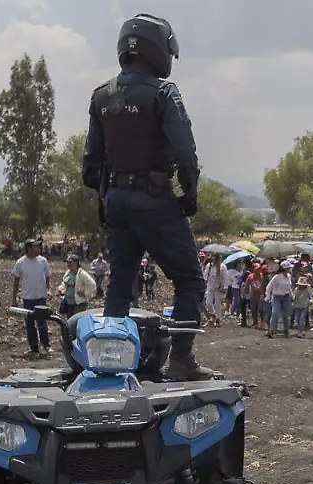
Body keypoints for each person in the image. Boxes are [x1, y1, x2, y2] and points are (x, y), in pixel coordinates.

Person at [81, 12, 211, 380]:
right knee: (188, 281)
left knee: (119, 287)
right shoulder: (164, 94)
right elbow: (185, 151)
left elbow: (90, 166)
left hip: (117, 202)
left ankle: (108, 365)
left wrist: (110, 196)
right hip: (154, 199)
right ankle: (182, 361)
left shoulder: (100, 97)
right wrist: (189, 193)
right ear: (158, 51)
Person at [11, 239, 52, 357]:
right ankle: (34, 348)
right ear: (28, 248)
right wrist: (14, 299)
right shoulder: (20, 263)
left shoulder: (43, 261)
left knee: (42, 323)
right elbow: (16, 282)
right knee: (29, 325)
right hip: (27, 298)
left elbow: (48, 277)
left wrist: (49, 290)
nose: (38, 249)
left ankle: (46, 345)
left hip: (41, 297)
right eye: (35, 247)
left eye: (38, 247)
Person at [265, 262, 293, 338]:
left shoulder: (289, 276)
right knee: (275, 313)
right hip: (276, 297)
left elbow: (289, 287)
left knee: (285, 315)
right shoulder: (277, 277)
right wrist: (267, 296)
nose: (290, 269)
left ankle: (286, 330)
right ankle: (271, 330)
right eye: (288, 268)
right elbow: (269, 287)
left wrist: (291, 295)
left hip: (286, 297)